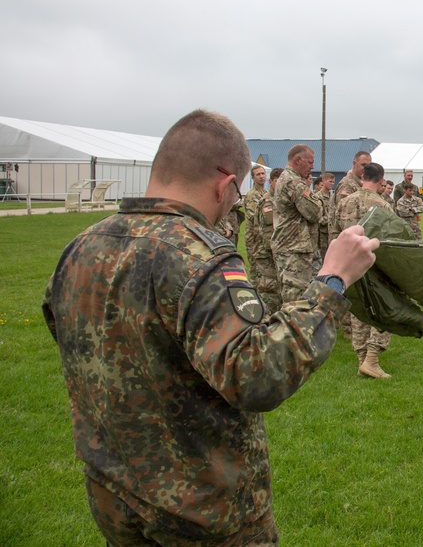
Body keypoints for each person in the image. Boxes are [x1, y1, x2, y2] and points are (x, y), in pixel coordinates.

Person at [42, 110, 378, 544]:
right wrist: (331, 281)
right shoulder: (200, 257)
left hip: (115, 495)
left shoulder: (82, 245)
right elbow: (257, 375)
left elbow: (67, 331)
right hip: (201, 510)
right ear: (224, 184)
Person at [333, 162, 397, 379]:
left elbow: (335, 235)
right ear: (381, 180)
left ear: (362, 176)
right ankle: (371, 360)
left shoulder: (344, 202)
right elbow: (390, 241)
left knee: (358, 311)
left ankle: (362, 361)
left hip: (348, 266)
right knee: (383, 310)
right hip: (374, 265)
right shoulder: (383, 205)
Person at [271, 145, 322, 302]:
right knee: (296, 299)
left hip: (290, 246)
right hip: (294, 248)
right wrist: (317, 202)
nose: (312, 166)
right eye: (310, 162)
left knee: (293, 295)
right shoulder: (294, 182)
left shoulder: (288, 178)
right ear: (298, 160)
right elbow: (315, 212)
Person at [252, 167, 284, 316]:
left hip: (281, 252)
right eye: (277, 181)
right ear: (271, 182)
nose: (279, 185)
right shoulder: (267, 202)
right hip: (268, 252)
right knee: (269, 290)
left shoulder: (284, 200)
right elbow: (266, 232)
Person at [243, 164, 268, 279]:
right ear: (253, 178)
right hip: (254, 237)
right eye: (258, 174)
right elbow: (254, 217)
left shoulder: (266, 193)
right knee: (255, 268)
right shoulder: (252, 195)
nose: (261, 176)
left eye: (263, 174)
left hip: (263, 236)